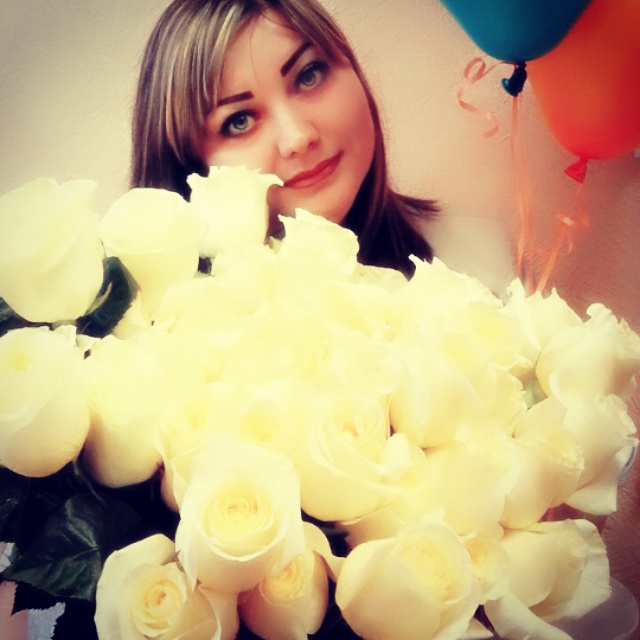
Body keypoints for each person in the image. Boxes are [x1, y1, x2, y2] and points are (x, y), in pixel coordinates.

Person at [130, 0, 438, 277]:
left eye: (308, 75)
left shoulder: (464, 254)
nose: (298, 138)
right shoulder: (161, 322)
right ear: (189, 169)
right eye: (239, 121)